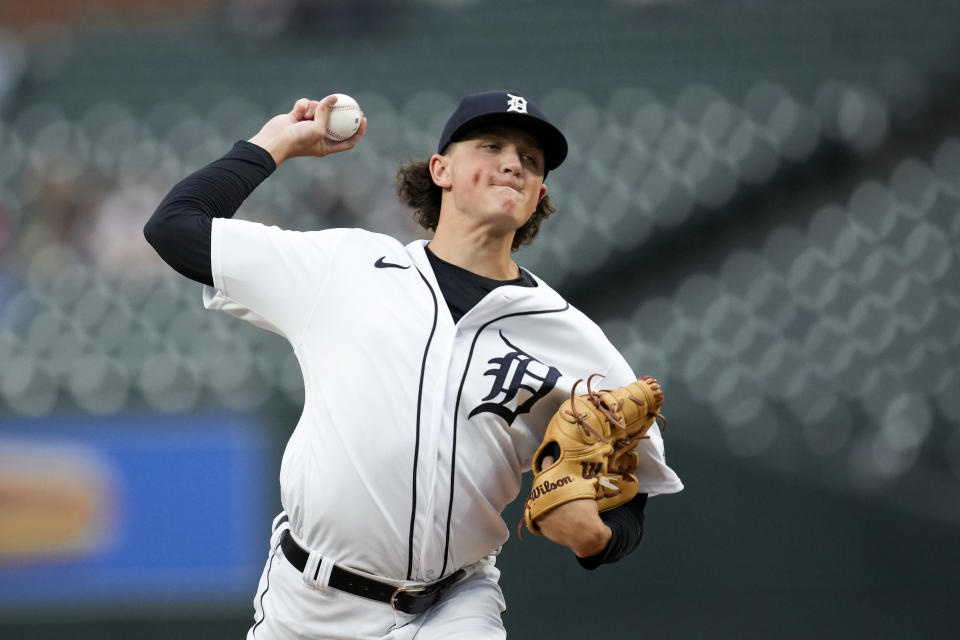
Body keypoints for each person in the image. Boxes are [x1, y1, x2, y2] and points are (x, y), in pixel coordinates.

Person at [144, 90, 682, 639]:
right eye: (492, 145)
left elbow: (632, 491)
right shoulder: (346, 267)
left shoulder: (571, 338)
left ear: (538, 193)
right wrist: (276, 142)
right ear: (440, 169)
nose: (512, 163)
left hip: (451, 607)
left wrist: (597, 537)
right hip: (305, 604)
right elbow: (174, 227)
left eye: (530, 160)